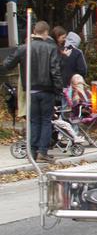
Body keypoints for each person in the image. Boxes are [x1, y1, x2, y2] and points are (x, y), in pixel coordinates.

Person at [1, 20, 62, 162]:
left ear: (35, 32)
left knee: (34, 121)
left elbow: (7, 64)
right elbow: (55, 70)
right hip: (47, 90)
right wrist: (59, 90)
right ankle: (42, 152)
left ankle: (32, 151)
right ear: (46, 32)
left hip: (30, 90)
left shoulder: (24, 48)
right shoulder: (50, 48)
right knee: (46, 121)